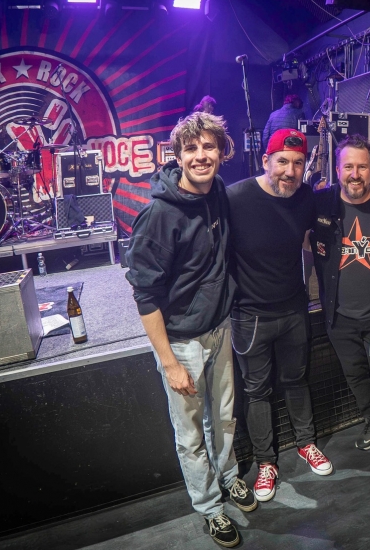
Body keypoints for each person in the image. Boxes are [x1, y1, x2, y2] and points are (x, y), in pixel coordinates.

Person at [126, 112, 254, 548]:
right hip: (181, 343)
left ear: (222, 152)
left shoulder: (216, 192)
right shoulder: (159, 216)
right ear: (178, 156)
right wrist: (169, 363)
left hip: (219, 330)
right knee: (191, 434)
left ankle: (230, 477)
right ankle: (210, 507)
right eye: (191, 148)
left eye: (208, 147)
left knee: (224, 419)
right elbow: (145, 296)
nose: (201, 156)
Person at [227, 128, 333, 504]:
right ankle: (266, 462)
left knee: (296, 379)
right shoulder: (235, 198)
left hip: (293, 308)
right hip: (250, 315)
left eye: (298, 163)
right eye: (282, 161)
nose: (290, 170)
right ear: (265, 161)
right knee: (257, 391)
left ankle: (306, 443)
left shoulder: (304, 197)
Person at [309, 134, 370, 476]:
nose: (355, 174)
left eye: (362, 167)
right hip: (339, 319)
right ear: (337, 170)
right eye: (348, 166)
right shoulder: (319, 204)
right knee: (356, 378)